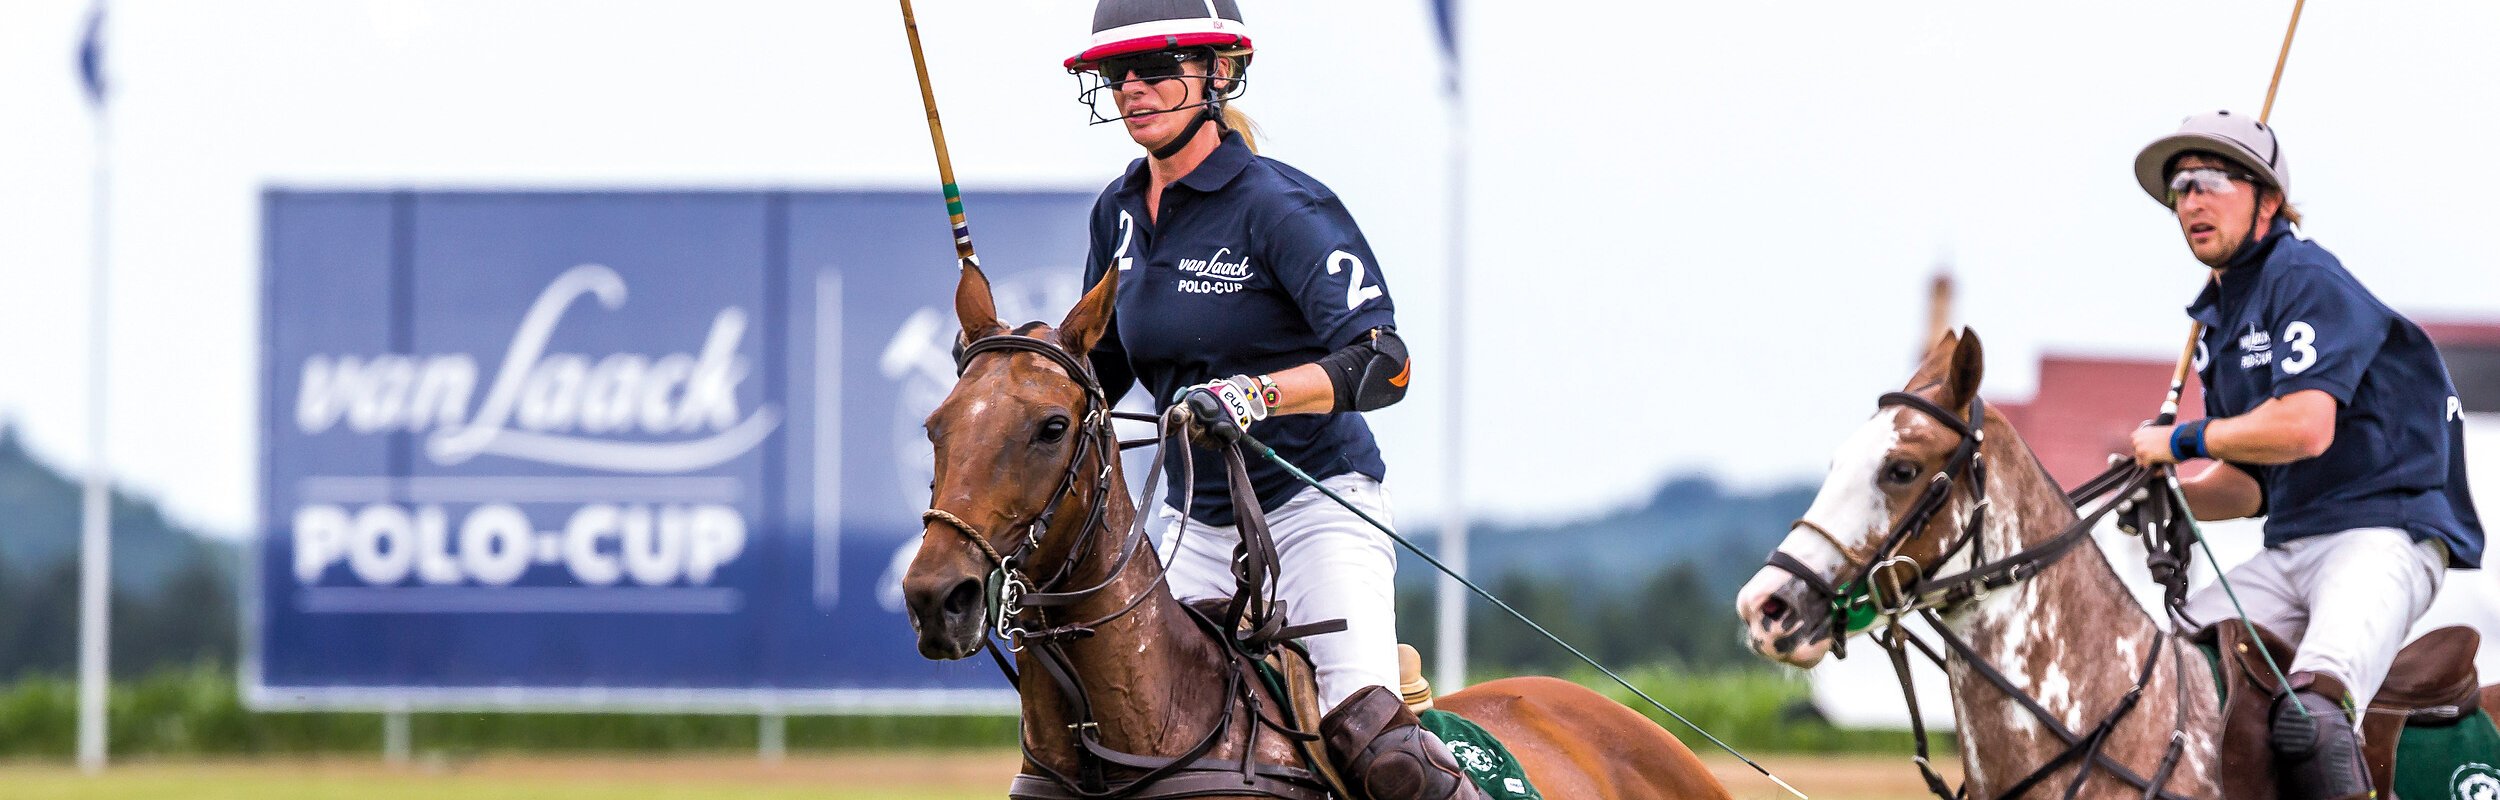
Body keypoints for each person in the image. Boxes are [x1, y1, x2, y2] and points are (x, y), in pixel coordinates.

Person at [1059, 3, 1473, 799]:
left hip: (1315, 510)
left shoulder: (1280, 206)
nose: (1133, 90)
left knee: (1380, 752)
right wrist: (1014, 371)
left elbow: (1385, 362)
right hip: (1189, 525)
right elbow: (1099, 378)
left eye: (1155, 70)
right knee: (1109, 732)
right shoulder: (1114, 213)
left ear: (1217, 72)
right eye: (1119, 75)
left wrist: (1256, 394)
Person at [2126, 110, 2484, 800]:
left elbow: (2306, 428)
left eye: (2208, 180)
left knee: (2311, 720)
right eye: (2178, 188)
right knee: (2162, 676)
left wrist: (2183, 440)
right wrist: (2170, 494)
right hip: (2291, 546)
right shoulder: (2219, 318)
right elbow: (2252, 486)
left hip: (2386, 534)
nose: (2189, 200)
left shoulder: (2305, 277)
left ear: (2266, 199)